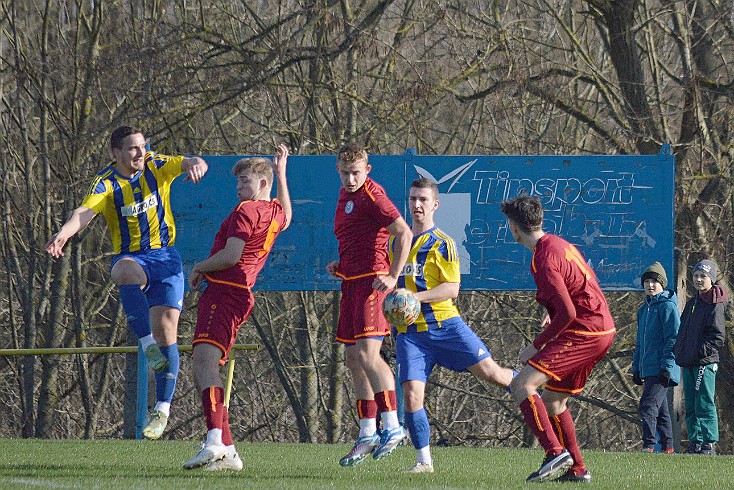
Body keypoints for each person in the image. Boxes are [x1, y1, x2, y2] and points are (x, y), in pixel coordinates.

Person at [45, 125, 209, 440]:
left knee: (168, 331)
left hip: (166, 260)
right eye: (132, 148)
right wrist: (63, 234)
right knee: (122, 272)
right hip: (134, 258)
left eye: (142, 146)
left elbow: (186, 162)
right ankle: (147, 347)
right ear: (116, 153)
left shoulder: (155, 165)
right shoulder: (106, 182)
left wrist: (196, 164)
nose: (139, 152)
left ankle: (162, 409)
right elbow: (84, 211)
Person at [390, 178, 516, 474]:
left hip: (446, 326)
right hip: (411, 335)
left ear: (435, 205)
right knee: (410, 392)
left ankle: (531, 384)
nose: (417, 205)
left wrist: (413, 298)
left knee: (493, 374)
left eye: (423, 199)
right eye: (412, 199)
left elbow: (452, 288)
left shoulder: (442, 243)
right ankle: (424, 462)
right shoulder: (397, 242)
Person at [182, 145, 292, 471]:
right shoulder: (272, 211)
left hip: (225, 292)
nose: (239, 187)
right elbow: (287, 215)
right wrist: (282, 173)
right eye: (238, 182)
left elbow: (230, 256)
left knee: (204, 361)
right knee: (205, 361)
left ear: (261, 183)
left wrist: (200, 266)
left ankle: (215, 439)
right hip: (238, 294)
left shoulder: (247, 211)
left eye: (244, 181)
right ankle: (228, 452)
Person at [500, 195, 616, 484]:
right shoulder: (558, 244)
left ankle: (554, 453)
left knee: (522, 384)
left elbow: (568, 312)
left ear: (514, 227)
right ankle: (577, 469)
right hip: (601, 328)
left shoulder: (543, 257)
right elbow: (574, 291)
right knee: (553, 401)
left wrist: (536, 344)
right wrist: (551, 313)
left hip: (585, 330)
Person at [326, 142, 413, 467]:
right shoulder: (345, 196)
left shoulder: (373, 194)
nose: (351, 179)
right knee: (352, 358)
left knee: (368, 354)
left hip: (373, 283)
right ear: (338, 170)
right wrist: (341, 263)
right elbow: (357, 238)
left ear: (367, 171)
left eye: (356, 173)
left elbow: (402, 233)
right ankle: (367, 432)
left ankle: (392, 425)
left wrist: (393, 276)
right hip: (351, 281)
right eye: (346, 173)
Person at [674, 259, 727, 455]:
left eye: (703, 276)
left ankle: (708, 442)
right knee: (691, 403)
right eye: (696, 275)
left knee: (704, 401)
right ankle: (694, 441)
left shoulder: (715, 304)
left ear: (711, 279)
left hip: (704, 362)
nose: (698, 279)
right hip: (688, 362)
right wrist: (680, 351)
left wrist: (700, 352)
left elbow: (717, 337)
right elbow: (683, 331)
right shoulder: (693, 302)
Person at [632, 262, 680, 453]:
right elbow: (640, 344)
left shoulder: (668, 307)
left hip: (662, 368)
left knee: (648, 405)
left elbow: (673, 338)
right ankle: (668, 447)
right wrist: (636, 368)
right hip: (648, 368)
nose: (650, 285)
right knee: (661, 411)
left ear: (662, 284)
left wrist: (667, 367)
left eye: (654, 281)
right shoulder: (643, 310)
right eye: (647, 281)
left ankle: (649, 445)